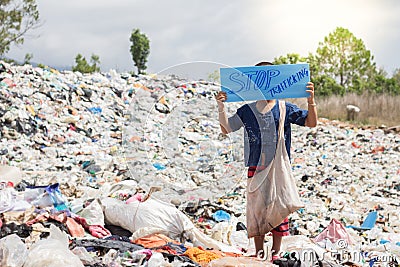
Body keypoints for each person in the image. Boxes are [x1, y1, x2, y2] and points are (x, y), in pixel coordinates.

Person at [215, 61, 318, 260]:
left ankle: (276, 253)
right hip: (256, 165)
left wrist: (311, 100)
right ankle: (260, 252)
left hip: (278, 167)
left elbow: (311, 123)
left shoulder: (284, 108)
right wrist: (221, 107)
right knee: (257, 212)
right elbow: (227, 128)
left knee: (279, 207)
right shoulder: (247, 110)